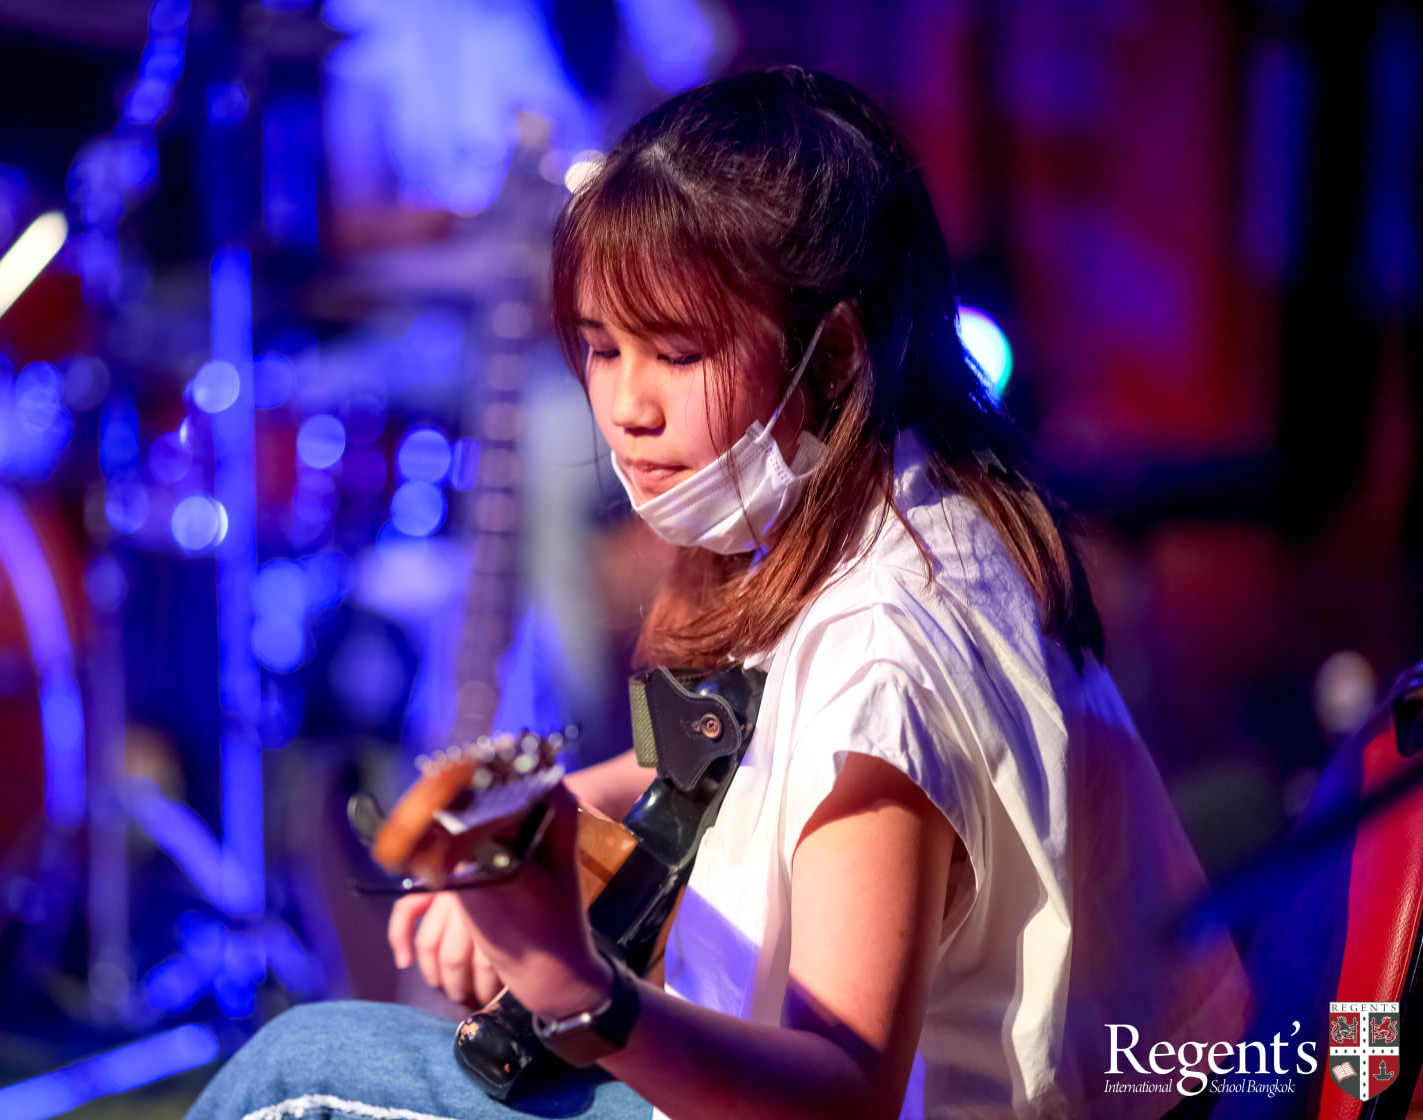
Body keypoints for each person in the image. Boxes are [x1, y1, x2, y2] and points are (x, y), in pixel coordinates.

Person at [187, 66, 1249, 1120]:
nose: (626, 405)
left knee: (300, 1070)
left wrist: (584, 993)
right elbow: (743, 748)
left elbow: (842, 1096)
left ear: (833, 354)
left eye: (677, 352)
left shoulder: (884, 650)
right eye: (601, 348)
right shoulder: (900, 501)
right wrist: (553, 821)